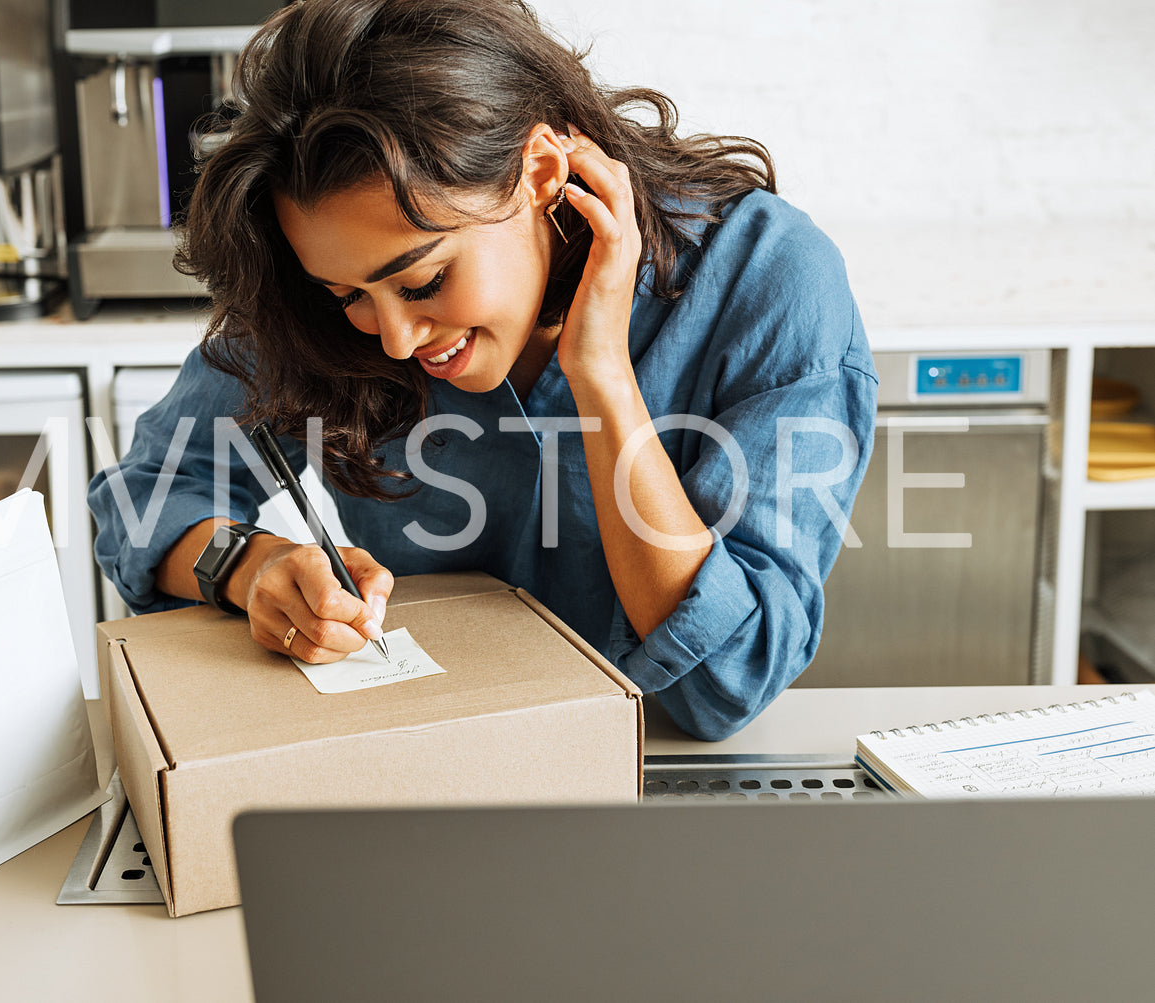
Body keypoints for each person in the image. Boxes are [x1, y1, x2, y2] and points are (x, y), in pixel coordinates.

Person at [88, 0, 877, 740]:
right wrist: (249, 566)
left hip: (666, 776)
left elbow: (726, 682)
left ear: (539, 174)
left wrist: (601, 375)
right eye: (346, 295)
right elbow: (146, 493)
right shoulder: (323, 297)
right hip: (432, 753)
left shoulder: (768, 281)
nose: (394, 339)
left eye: (424, 280)